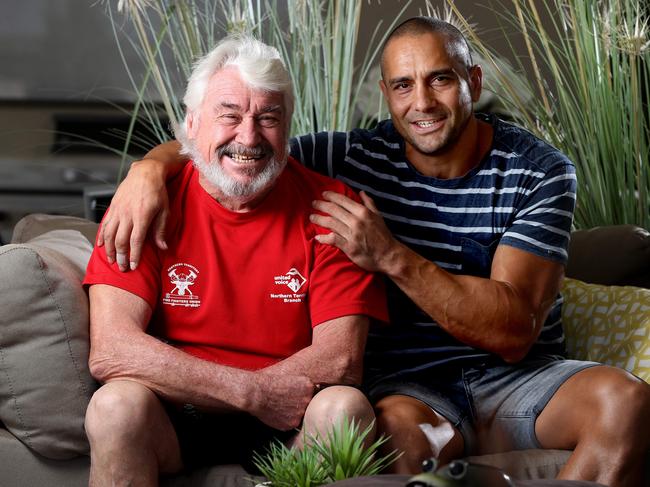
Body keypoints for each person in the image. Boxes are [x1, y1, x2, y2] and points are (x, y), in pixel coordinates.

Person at [98, 17, 650, 487]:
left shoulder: (540, 171)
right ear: (386, 96)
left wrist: (390, 255)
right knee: (394, 441)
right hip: (409, 387)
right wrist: (148, 169)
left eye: (440, 80)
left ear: (472, 83)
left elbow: (513, 332)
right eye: (403, 86)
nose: (423, 103)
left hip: (518, 378)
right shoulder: (349, 157)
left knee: (627, 402)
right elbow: (244, 152)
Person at [82, 35, 388, 487]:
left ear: (287, 128)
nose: (248, 137)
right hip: (174, 418)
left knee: (345, 407)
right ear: (190, 125)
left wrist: (265, 397)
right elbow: (111, 350)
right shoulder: (145, 206)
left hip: (290, 420)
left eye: (268, 118)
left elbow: (341, 359)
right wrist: (248, 391)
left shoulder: (333, 209)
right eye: (229, 115)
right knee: (114, 406)